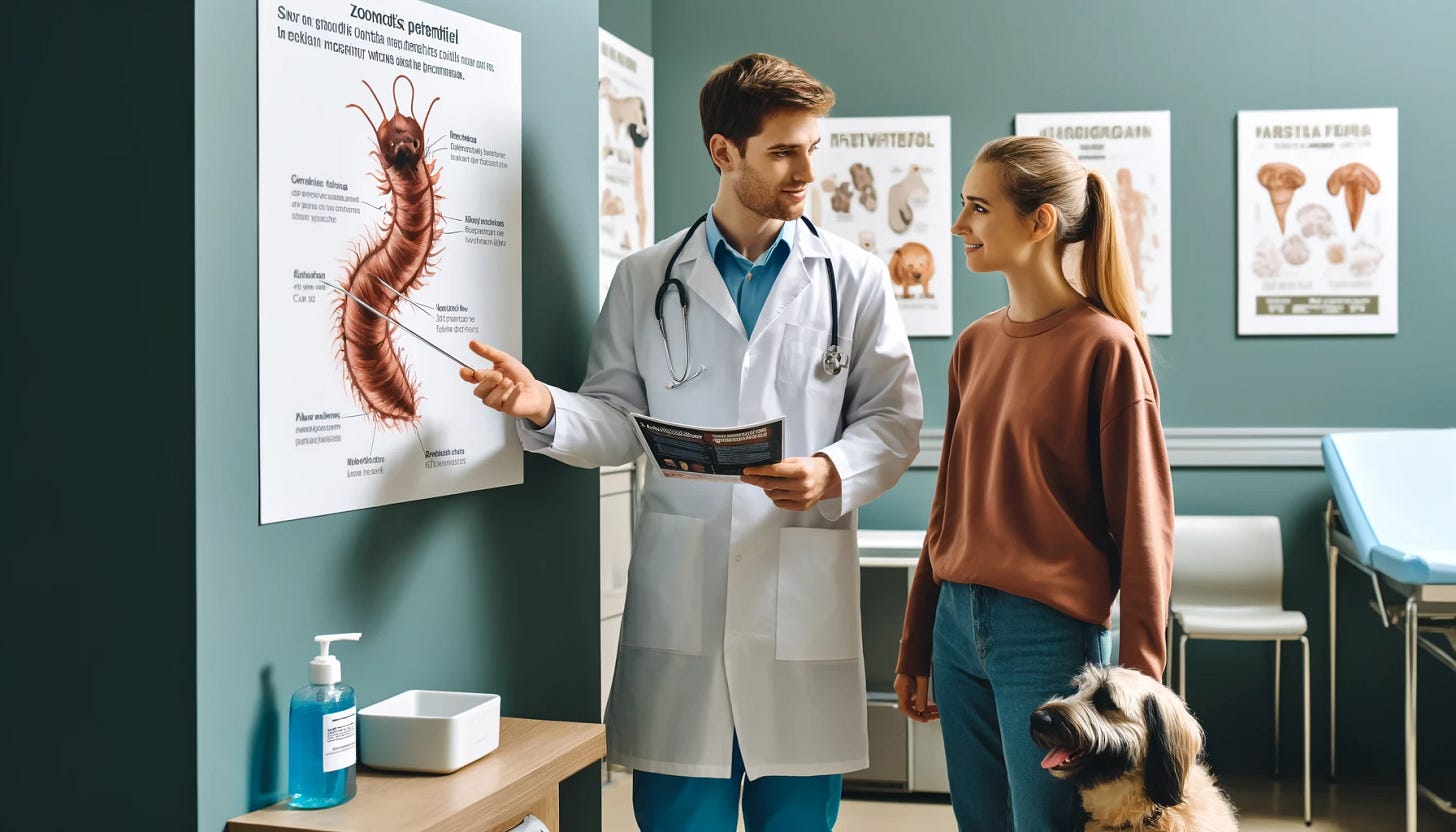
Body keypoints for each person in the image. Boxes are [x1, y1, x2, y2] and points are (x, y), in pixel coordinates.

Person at [462, 53, 922, 832]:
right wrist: (544, 405)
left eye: (813, 146)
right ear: (723, 153)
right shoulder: (645, 278)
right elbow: (616, 420)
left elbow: (895, 421)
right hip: (686, 612)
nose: (806, 169)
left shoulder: (855, 279)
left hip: (798, 601)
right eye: (783, 150)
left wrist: (829, 469)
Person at [893, 135, 1174, 831]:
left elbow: (1144, 528)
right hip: (956, 628)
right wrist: (918, 639)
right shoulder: (974, 346)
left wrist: (1136, 687)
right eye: (963, 207)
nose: (960, 226)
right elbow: (947, 507)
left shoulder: (1106, 348)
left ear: (1040, 221)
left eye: (979, 209)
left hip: (1048, 640)